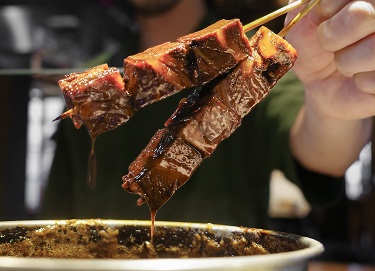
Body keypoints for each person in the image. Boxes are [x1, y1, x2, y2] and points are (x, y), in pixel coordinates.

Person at [40, 0, 375, 229]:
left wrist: (332, 103)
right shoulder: (93, 84)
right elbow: (54, 215)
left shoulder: (247, 56)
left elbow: (325, 154)